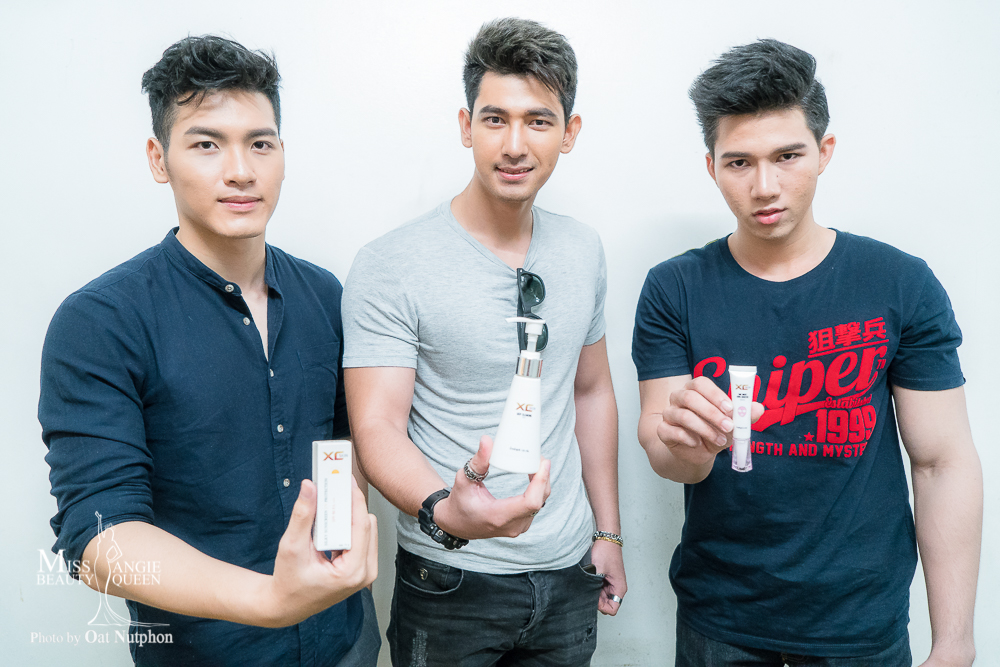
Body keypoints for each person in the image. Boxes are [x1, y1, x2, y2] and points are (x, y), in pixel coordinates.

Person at [633, 39, 982, 666]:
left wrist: (954, 640)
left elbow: (942, 463)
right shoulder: (674, 287)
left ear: (824, 152)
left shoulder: (899, 284)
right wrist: (689, 444)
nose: (764, 187)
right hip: (722, 619)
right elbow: (667, 456)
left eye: (787, 156)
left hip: (861, 622)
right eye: (739, 163)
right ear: (711, 166)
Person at [38, 35, 379, 666]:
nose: (241, 170)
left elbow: (342, 444)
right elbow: (101, 538)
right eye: (206, 144)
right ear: (159, 159)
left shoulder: (324, 294)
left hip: (346, 642)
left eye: (260, 143)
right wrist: (271, 599)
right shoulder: (100, 321)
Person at [342, 17, 626, 666]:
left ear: (570, 132)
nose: (515, 144)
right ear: (466, 126)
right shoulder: (391, 263)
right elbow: (376, 425)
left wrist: (608, 532)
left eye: (539, 121)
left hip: (568, 573)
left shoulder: (582, 249)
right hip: (450, 577)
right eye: (495, 119)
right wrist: (444, 511)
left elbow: (590, 391)